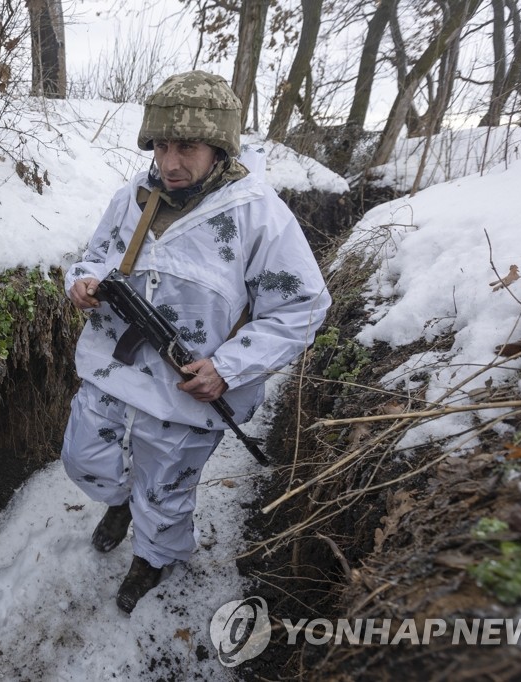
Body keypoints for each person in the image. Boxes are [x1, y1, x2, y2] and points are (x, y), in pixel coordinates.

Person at [61, 71, 331, 614]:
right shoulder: (134, 196)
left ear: (220, 147)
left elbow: (302, 306)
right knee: (82, 457)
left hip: (187, 393)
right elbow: (95, 254)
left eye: (186, 146)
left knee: (165, 493)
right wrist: (83, 282)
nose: (170, 162)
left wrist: (228, 368)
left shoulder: (259, 215)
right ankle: (119, 503)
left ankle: (153, 559)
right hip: (112, 368)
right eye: (161, 145)